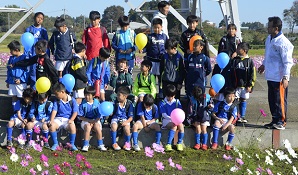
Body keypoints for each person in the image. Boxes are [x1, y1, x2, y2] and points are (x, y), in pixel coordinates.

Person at [258, 16, 294, 130]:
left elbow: (288, 61)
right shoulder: (269, 39)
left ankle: (281, 121)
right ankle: (274, 119)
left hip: (279, 76)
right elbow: (267, 55)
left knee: (280, 100)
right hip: (270, 75)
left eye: (269, 27)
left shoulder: (283, 43)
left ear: (276, 28)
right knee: (272, 100)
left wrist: (285, 76)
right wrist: (263, 64)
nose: (268, 28)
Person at [48, 83, 79, 151]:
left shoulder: (72, 100)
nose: (56, 96)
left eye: (57, 94)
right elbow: (54, 111)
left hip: (67, 120)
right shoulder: (57, 101)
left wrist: (71, 120)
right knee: (52, 126)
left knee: (72, 126)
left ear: (62, 92)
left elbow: (75, 112)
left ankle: (72, 144)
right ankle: (55, 144)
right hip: (58, 119)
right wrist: (52, 120)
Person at [231, 42, 256, 123]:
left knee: (243, 99)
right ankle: (235, 116)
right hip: (236, 86)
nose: (237, 50)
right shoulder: (235, 60)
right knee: (235, 100)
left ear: (244, 50)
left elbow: (253, 74)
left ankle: (242, 116)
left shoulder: (249, 61)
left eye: (239, 48)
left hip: (245, 86)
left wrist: (250, 85)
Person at [78, 86, 107, 152]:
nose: (87, 97)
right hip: (85, 120)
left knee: (97, 127)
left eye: (89, 95)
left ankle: (100, 144)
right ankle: (86, 145)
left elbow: (100, 114)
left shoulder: (97, 103)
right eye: (85, 95)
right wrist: (89, 121)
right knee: (88, 127)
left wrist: (95, 121)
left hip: (95, 120)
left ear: (93, 96)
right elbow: (80, 116)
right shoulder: (83, 104)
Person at [25, 12, 49, 89]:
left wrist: (46, 55)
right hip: (32, 54)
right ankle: (33, 90)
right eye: (38, 17)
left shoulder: (44, 31)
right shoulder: (29, 29)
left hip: (41, 56)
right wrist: (26, 54)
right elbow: (26, 42)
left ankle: (42, 90)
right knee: (33, 73)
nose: (39, 20)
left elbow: (46, 44)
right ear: (34, 18)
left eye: (41, 19)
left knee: (41, 72)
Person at [145, 18, 168, 98]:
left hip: (161, 62)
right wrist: (142, 49)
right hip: (152, 62)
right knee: (152, 79)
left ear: (161, 27)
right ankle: (152, 94)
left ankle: (161, 94)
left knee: (161, 79)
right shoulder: (150, 37)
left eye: (158, 27)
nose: (156, 29)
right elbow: (146, 47)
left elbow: (167, 47)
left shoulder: (164, 37)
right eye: (155, 27)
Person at [159, 84, 184, 151]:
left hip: (176, 120)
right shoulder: (162, 103)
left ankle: (179, 143)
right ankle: (168, 144)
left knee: (181, 126)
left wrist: (177, 119)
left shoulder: (177, 102)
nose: (170, 98)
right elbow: (163, 114)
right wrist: (172, 118)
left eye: (172, 96)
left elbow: (180, 112)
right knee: (174, 126)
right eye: (168, 96)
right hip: (167, 120)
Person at [110, 86, 134, 151]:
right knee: (114, 126)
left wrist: (126, 122)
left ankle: (127, 143)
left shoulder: (129, 104)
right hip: (116, 118)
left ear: (125, 96)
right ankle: (114, 143)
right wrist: (110, 112)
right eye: (117, 95)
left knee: (127, 129)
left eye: (119, 95)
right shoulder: (115, 103)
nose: (117, 97)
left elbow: (131, 117)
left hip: (125, 119)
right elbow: (111, 112)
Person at [188, 86, 211, 150]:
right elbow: (190, 112)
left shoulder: (207, 98)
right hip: (195, 118)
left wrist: (210, 106)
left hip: (204, 117)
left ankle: (204, 144)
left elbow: (212, 106)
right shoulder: (192, 100)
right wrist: (192, 120)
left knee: (204, 129)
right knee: (198, 128)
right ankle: (197, 143)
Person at [6, 40, 28, 105]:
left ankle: (22, 112)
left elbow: (26, 71)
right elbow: (9, 70)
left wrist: (21, 80)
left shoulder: (24, 57)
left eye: (11, 50)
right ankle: (15, 112)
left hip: (20, 82)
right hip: (12, 81)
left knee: (21, 96)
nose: (10, 52)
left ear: (16, 50)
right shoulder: (11, 58)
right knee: (14, 96)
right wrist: (8, 81)